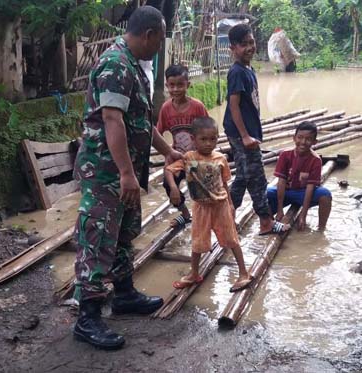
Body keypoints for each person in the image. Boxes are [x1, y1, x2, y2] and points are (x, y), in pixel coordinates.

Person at [71, 5, 182, 350]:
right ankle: (87, 317)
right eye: (160, 40)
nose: (160, 46)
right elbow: (112, 120)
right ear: (148, 35)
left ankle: (123, 294)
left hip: (124, 171)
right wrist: (125, 174)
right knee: (98, 237)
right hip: (106, 171)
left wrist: (167, 152)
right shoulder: (116, 65)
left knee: (122, 234)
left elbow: (140, 121)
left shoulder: (134, 65)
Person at [164, 117, 253, 292]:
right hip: (200, 208)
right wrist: (174, 188)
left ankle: (243, 273)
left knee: (231, 239)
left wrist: (231, 205)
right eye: (203, 139)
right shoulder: (188, 158)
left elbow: (225, 183)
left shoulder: (220, 158)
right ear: (193, 139)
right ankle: (194, 273)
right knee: (198, 242)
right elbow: (169, 171)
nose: (208, 143)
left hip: (220, 206)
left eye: (213, 139)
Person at [223, 23, 290, 235]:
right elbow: (233, 106)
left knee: (243, 176)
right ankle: (265, 221)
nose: (250, 47)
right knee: (257, 177)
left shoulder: (248, 69)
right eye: (244, 44)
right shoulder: (236, 72)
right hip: (241, 133)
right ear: (233, 48)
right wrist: (244, 136)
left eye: (251, 42)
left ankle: (227, 216)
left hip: (247, 132)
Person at [157, 64, 209, 228]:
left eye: (180, 85)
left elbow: (210, 132)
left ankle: (205, 220)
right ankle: (185, 214)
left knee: (203, 193)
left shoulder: (197, 107)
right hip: (178, 157)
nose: (176, 89)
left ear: (188, 84)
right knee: (168, 184)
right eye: (172, 85)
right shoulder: (166, 109)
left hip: (198, 157)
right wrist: (167, 155)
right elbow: (158, 134)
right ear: (167, 86)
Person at [267, 121, 332, 231]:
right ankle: (270, 223)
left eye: (308, 139)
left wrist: (303, 214)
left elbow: (310, 188)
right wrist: (279, 209)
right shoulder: (285, 155)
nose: (303, 142)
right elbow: (281, 182)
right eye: (300, 138)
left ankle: (321, 229)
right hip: (287, 191)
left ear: (314, 142)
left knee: (325, 195)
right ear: (294, 138)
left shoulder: (315, 160)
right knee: (264, 193)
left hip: (303, 193)